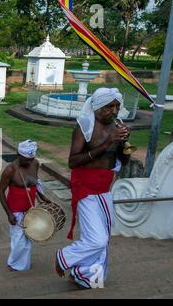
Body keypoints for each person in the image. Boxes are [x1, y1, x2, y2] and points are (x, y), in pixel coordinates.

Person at [55, 88, 130, 289]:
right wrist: (107, 143)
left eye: (117, 106)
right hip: (85, 189)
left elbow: (122, 160)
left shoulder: (117, 125)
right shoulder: (84, 126)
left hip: (105, 188)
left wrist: (123, 146)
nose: (114, 111)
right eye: (109, 106)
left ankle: (85, 276)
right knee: (97, 239)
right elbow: (73, 161)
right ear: (97, 107)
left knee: (101, 237)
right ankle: (64, 257)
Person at [0, 140, 50, 271]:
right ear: (18, 154)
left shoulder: (35, 164)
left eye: (31, 159)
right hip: (15, 209)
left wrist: (42, 196)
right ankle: (14, 264)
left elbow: (35, 183)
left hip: (30, 208)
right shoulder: (10, 169)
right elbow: (0, 192)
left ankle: (23, 264)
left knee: (29, 237)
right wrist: (9, 214)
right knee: (18, 240)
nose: (29, 162)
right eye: (26, 159)